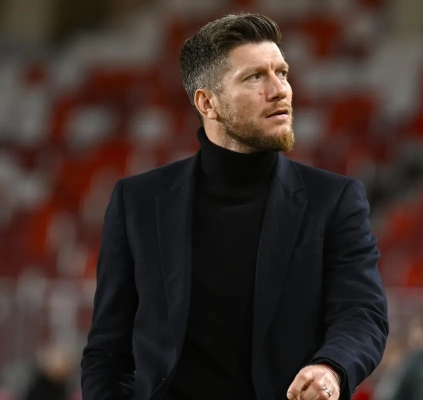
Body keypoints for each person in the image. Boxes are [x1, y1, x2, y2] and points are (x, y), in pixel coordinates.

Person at [80, 12, 389, 400]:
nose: (280, 90)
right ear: (208, 103)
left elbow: (362, 313)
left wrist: (330, 368)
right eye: (255, 77)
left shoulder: (334, 200)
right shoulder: (137, 201)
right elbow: (108, 352)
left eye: (282, 72)